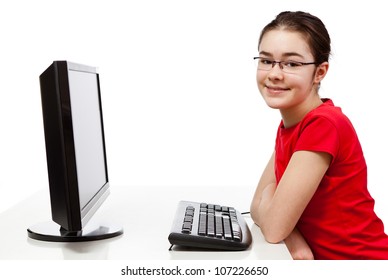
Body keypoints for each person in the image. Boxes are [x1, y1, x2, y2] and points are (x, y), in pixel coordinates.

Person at [250, 11, 388, 260]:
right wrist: (294, 239)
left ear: (320, 72)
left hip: (365, 268)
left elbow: (272, 227)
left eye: (291, 64)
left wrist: (279, 220)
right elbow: (256, 207)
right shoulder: (292, 124)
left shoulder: (323, 125)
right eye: (266, 60)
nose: (274, 73)